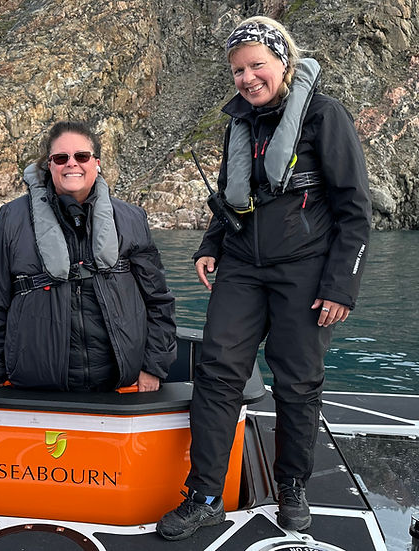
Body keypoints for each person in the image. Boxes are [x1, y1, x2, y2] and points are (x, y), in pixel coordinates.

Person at [157, 17, 371, 540]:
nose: (248, 78)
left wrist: (340, 286)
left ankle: (292, 487)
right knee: (217, 373)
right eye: (238, 70)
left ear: (283, 62)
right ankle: (205, 496)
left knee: (297, 382)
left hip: (306, 272)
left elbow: (355, 211)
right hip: (241, 268)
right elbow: (231, 197)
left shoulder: (324, 115)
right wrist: (210, 246)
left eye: (257, 65)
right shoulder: (239, 123)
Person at [0, 121, 177, 392]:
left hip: (118, 385)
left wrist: (153, 367)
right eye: (61, 158)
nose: (72, 163)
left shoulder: (131, 218)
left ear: (97, 163)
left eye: (82, 156)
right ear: (49, 165)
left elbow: (158, 300)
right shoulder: (12, 218)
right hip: (35, 388)